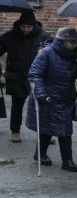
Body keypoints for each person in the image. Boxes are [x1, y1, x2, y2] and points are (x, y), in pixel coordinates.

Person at [25, 27, 77, 171]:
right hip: (48, 96)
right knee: (52, 128)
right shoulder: (47, 53)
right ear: (62, 41)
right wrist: (41, 94)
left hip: (65, 97)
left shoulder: (74, 56)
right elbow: (34, 74)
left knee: (60, 128)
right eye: (71, 42)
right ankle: (54, 158)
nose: (74, 44)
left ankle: (54, 158)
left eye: (75, 42)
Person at [0, 11, 51, 144]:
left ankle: (45, 133)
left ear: (34, 25)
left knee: (42, 105)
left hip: (38, 77)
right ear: (19, 25)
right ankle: (15, 131)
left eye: (29, 27)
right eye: (23, 27)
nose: (26, 29)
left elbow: (53, 54)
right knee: (17, 105)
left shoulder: (43, 36)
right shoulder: (10, 37)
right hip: (17, 76)